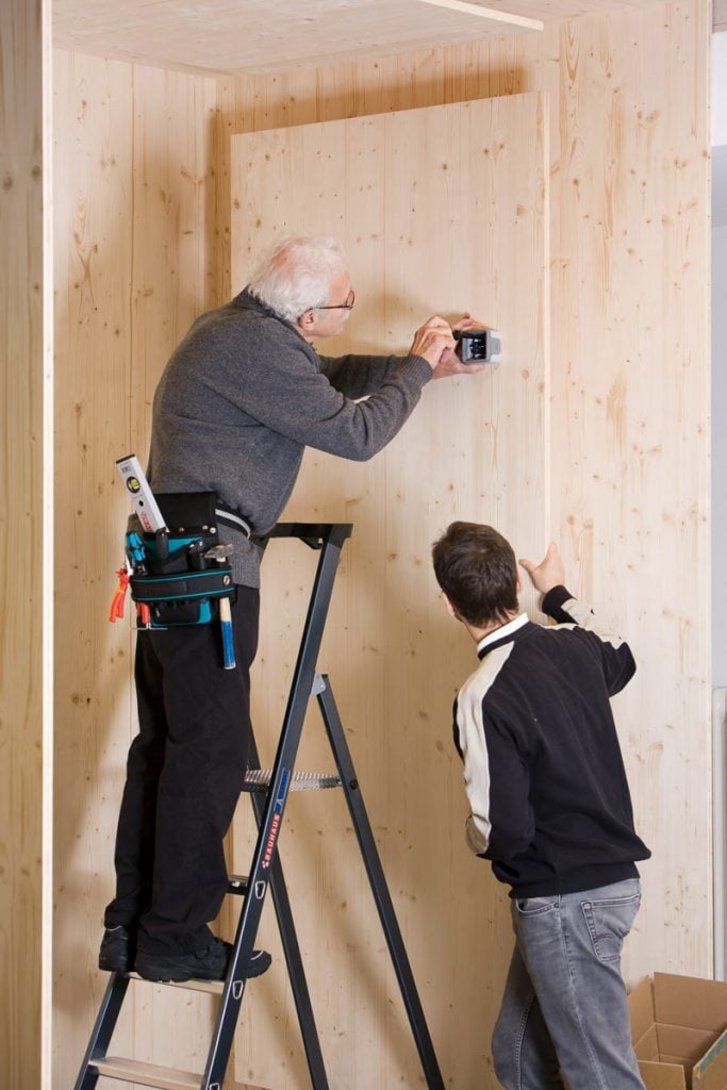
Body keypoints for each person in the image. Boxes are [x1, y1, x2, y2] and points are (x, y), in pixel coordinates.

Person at [99, 235, 486, 984]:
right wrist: (413, 369)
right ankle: (172, 939)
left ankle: (133, 926)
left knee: (167, 747)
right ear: (305, 316)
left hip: (178, 564)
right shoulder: (252, 346)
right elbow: (358, 434)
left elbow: (329, 377)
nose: (348, 313)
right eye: (345, 304)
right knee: (208, 754)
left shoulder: (237, 330)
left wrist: (421, 364)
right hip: (208, 571)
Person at [431, 521, 650, 1090]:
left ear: (449, 604)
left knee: (601, 1076)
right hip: (608, 886)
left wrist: (471, 833)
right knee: (517, 1054)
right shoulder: (575, 646)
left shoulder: (481, 694)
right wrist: (556, 593)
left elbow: (500, 830)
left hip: (564, 902)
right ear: (513, 584)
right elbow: (621, 654)